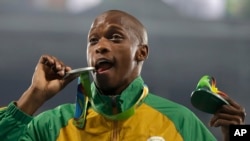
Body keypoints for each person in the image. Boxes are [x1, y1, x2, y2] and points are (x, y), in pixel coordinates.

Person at [0, 10, 246, 141]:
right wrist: (33, 97)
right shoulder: (51, 125)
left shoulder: (181, 122)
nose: (100, 46)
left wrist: (237, 135)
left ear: (142, 52)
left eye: (115, 37)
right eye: (93, 40)